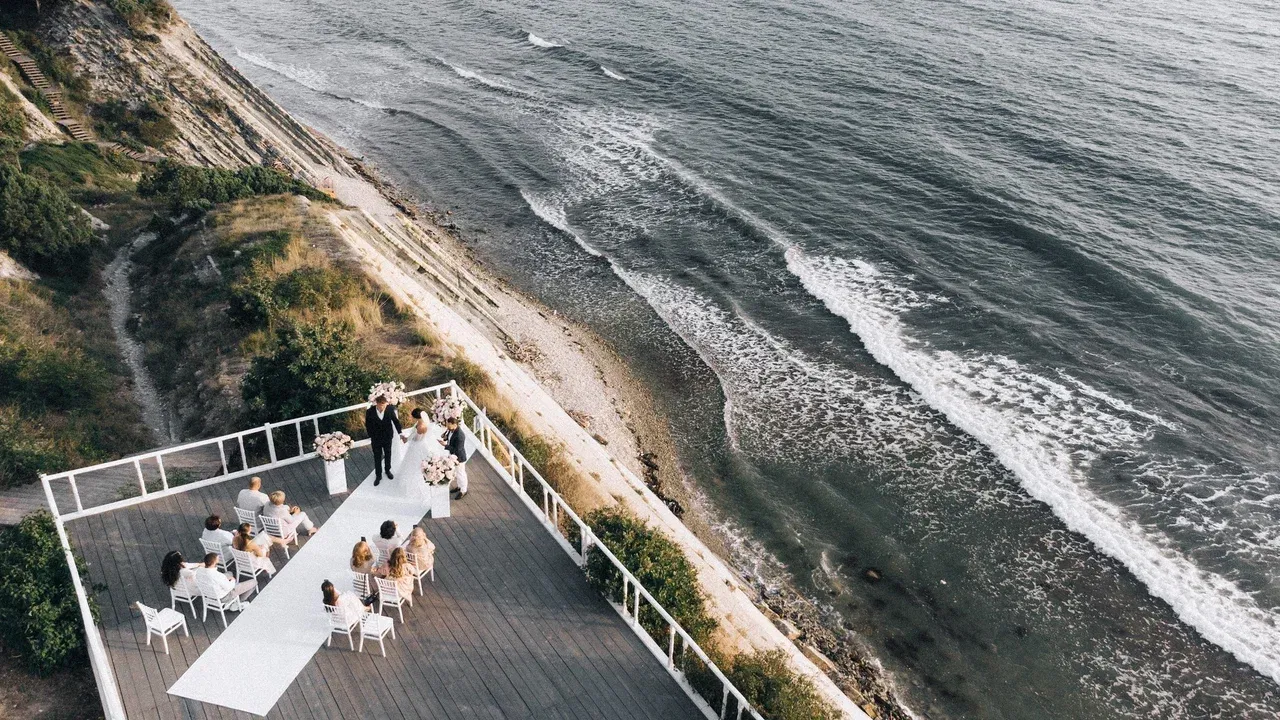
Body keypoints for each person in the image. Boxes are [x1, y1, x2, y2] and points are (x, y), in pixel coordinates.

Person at [392, 408, 434, 503]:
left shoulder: (420, 427)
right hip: (420, 444)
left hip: (417, 446)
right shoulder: (421, 423)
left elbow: (417, 439)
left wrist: (405, 439)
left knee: (413, 465)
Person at [364, 394, 402, 486]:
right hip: (376, 438)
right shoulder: (370, 411)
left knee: (388, 454)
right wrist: (371, 435)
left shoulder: (389, 409)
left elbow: (396, 421)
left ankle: (388, 470)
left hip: (387, 437)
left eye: (385, 404)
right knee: (377, 456)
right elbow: (368, 425)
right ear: (377, 404)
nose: (383, 407)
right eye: (381, 405)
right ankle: (378, 475)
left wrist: (400, 433)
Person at [440, 417, 469, 498]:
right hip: (453, 455)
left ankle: (463, 490)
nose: (447, 427)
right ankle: (459, 487)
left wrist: (445, 445)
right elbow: (450, 438)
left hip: (459, 457)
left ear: (454, 425)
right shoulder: (451, 429)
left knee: (461, 473)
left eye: (448, 425)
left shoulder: (460, 435)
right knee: (457, 472)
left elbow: (457, 449)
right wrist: (445, 438)